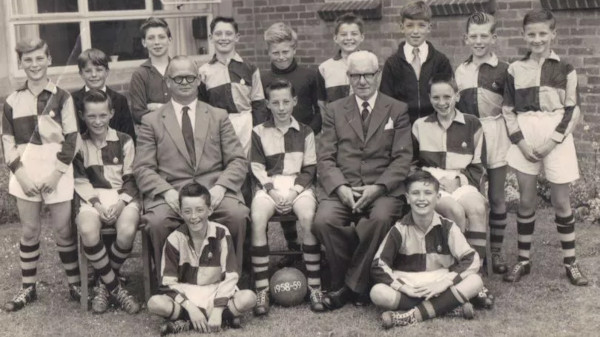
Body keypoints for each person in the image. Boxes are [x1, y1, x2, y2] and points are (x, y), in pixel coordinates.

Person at [134, 55, 249, 283]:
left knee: (237, 215)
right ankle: (170, 285)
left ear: (198, 81)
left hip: (213, 189)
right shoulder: (152, 121)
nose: (185, 82)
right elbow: (143, 168)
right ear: (168, 82)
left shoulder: (218, 116)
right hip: (172, 191)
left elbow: (237, 160)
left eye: (190, 77)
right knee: (157, 222)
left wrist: (220, 188)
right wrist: (166, 192)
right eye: (178, 78)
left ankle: (230, 282)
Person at [312, 50, 412, 310]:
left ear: (377, 75)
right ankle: (360, 282)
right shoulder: (334, 110)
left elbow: (402, 159)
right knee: (324, 221)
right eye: (356, 75)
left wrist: (378, 188)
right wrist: (341, 188)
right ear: (348, 77)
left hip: (383, 188)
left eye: (368, 74)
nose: (363, 81)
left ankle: (346, 287)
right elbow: (325, 158)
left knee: (379, 219)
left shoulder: (397, 109)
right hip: (343, 187)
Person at [502, 9, 588, 286]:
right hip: (526, 136)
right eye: (531, 34)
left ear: (553, 34)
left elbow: (572, 110)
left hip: (556, 137)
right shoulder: (515, 69)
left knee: (561, 202)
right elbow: (508, 110)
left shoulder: (566, 69)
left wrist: (552, 141)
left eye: (542, 34)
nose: (537, 39)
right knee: (526, 201)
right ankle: (523, 261)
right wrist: (522, 143)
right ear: (523, 35)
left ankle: (570, 263)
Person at [2, 38, 82, 311]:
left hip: (56, 173)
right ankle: (28, 289)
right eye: (28, 59)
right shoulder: (12, 101)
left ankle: (75, 285)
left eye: (39, 59)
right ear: (21, 63)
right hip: (25, 172)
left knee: (63, 230)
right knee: (30, 230)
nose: (34, 64)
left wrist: (57, 174)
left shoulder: (63, 96)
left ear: (49, 61)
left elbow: (72, 139)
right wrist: (20, 175)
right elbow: (7, 142)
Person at [412, 73, 493, 308]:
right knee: (455, 210)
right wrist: (434, 182)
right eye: (436, 97)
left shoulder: (472, 124)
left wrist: (458, 181)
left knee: (478, 207)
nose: (442, 102)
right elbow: (413, 165)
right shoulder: (420, 125)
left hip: (461, 180)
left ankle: (475, 276)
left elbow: (479, 165)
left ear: (457, 96)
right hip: (431, 183)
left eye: (447, 96)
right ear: (429, 98)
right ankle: (455, 276)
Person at [370, 171, 483, 328]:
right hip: (410, 285)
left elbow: (471, 258)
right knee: (377, 292)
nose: (422, 198)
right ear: (408, 199)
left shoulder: (448, 227)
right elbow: (378, 265)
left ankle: (411, 316)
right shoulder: (399, 229)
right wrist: (404, 288)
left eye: (428, 193)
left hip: (440, 283)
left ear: (437, 198)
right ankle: (447, 308)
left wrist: (444, 283)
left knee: (476, 281)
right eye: (415, 193)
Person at [249, 79, 324, 315]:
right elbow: (257, 167)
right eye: (275, 103)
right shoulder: (258, 131)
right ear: (268, 105)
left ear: (295, 102)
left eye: (285, 102)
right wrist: (271, 190)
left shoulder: (306, 131)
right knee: (258, 217)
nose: (281, 108)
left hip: (297, 186)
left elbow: (310, 168)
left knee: (308, 217)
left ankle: (315, 287)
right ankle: (262, 290)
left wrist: (293, 192)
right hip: (270, 186)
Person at [147, 183, 256, 336]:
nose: (194, 217)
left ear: (210, 210)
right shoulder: (174, 240)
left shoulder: (221, 233)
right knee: (154, 303)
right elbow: (167, 284)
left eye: (199, 210)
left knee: (249, 298)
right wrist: (191, 307)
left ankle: (187, 322)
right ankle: (225, 319)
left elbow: (231, 276)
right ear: (180, 213)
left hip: (215, 291)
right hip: (187, 294)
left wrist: (218, 309)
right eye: (187, 211)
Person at [73, 89, 140, 314]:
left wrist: (121, 204)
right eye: (91, 116)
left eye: (103, 115)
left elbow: (132, 179)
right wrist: (98, 205)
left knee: (128, 230)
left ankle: (103, 284)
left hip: (123, 197)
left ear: (111, 113)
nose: (97, 121)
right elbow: (80, 181)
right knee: (88, 230)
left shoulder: (125, 140)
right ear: (82, 115)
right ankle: (115, 288)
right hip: (93, 199)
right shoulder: (78, 144)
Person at [260, 22, 321, 266]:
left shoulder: (309, 75)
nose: (281, 56)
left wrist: (307, 134)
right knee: (282, 185)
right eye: (275, 52)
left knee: (303, 189)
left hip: (304, 140)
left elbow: (319, 111)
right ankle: (292, 245)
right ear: (268, 52)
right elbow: (261, 114)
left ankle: (312, 246)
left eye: (285, 51)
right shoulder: (263, 77)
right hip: (274, 143)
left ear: (294, 49)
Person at [455, 12, 510, 274]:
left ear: (494, 38)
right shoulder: (460, 70)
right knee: (472, 195)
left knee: (497, 196)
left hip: (496, 131)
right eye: (473, 36)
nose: (478, 41)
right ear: (466, 39)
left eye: (484, 35)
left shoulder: (505, 68)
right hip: (469, 135)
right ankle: (472, 250)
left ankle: (496, 251)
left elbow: (511, 108)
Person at [198, 16, 268, 156]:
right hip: (218, 128)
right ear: (211, 37)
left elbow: (259, 104)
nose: (223, 38)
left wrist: (257, 133)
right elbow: (202, 108)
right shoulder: (204, 71)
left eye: (228, 33)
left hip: (246, 126)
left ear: (237, 37)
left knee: (247, 169)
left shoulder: (250, 68)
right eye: (218, 34)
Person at [379, 0, 453, 124]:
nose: (415, 31)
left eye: (421, 25)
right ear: (402, 27)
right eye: (410, 25)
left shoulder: (440, 61)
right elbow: (386, 101)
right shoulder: (392, 64)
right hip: (403, 127)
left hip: (434, 125)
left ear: (429, 27)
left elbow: (449, 95)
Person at [72, 48, 136, 140]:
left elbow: (129, 136)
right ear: (81, 73)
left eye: (99, 70)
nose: (94, 75)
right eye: (88, 71)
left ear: (107, 72)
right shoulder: (72, 100)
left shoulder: (119, 100)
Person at [317, 13, 365, 116]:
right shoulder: (325, 68)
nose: (349, 38)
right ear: (335, 38)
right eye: (343, 34)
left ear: (362, 37)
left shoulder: (370, 64)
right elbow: (322, 105)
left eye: (354, 34)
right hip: (336, 126)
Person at [129, 17, 172, 125]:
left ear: (169, 40)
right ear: (144, 42)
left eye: (161, 37)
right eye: (151, 38)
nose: (157, 42)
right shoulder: (140, 75)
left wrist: (156, 107)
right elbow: (138, 115)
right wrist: (171, 110)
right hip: (153, 136)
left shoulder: (180, 69)